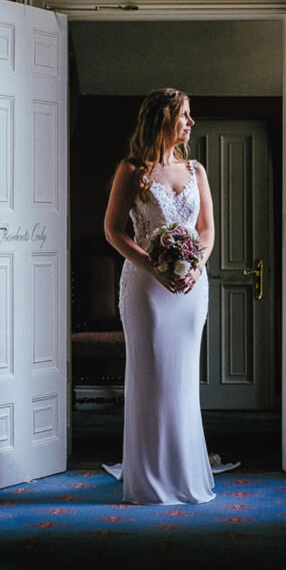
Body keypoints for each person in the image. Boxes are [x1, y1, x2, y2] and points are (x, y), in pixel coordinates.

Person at [101, 88, 217, 504]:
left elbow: (206, 230)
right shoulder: (132, 170)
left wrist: (195, 266)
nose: (190, 122)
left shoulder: (196, 170)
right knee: (151, 378)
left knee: (183, 380)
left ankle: (183, 472)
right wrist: (154, 266)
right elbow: (114, 230)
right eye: (184, 115)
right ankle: (148, 477)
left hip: (190, 289)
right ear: (163, 119)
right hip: (146, 288)